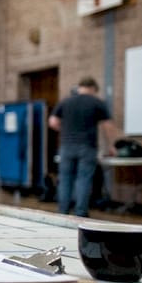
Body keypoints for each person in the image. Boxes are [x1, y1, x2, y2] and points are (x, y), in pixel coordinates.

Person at [48, 76, 116, 218]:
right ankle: (80, 212)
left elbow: (53, 122)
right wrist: (111, 145)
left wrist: (65, 130)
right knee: (83, 179)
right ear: (93, 88)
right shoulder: (97, 102)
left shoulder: (65, 101)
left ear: (79, 87)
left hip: (66, 146)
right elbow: (107, 125)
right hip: (87, 146)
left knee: (65, 179)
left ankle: (63, 211)